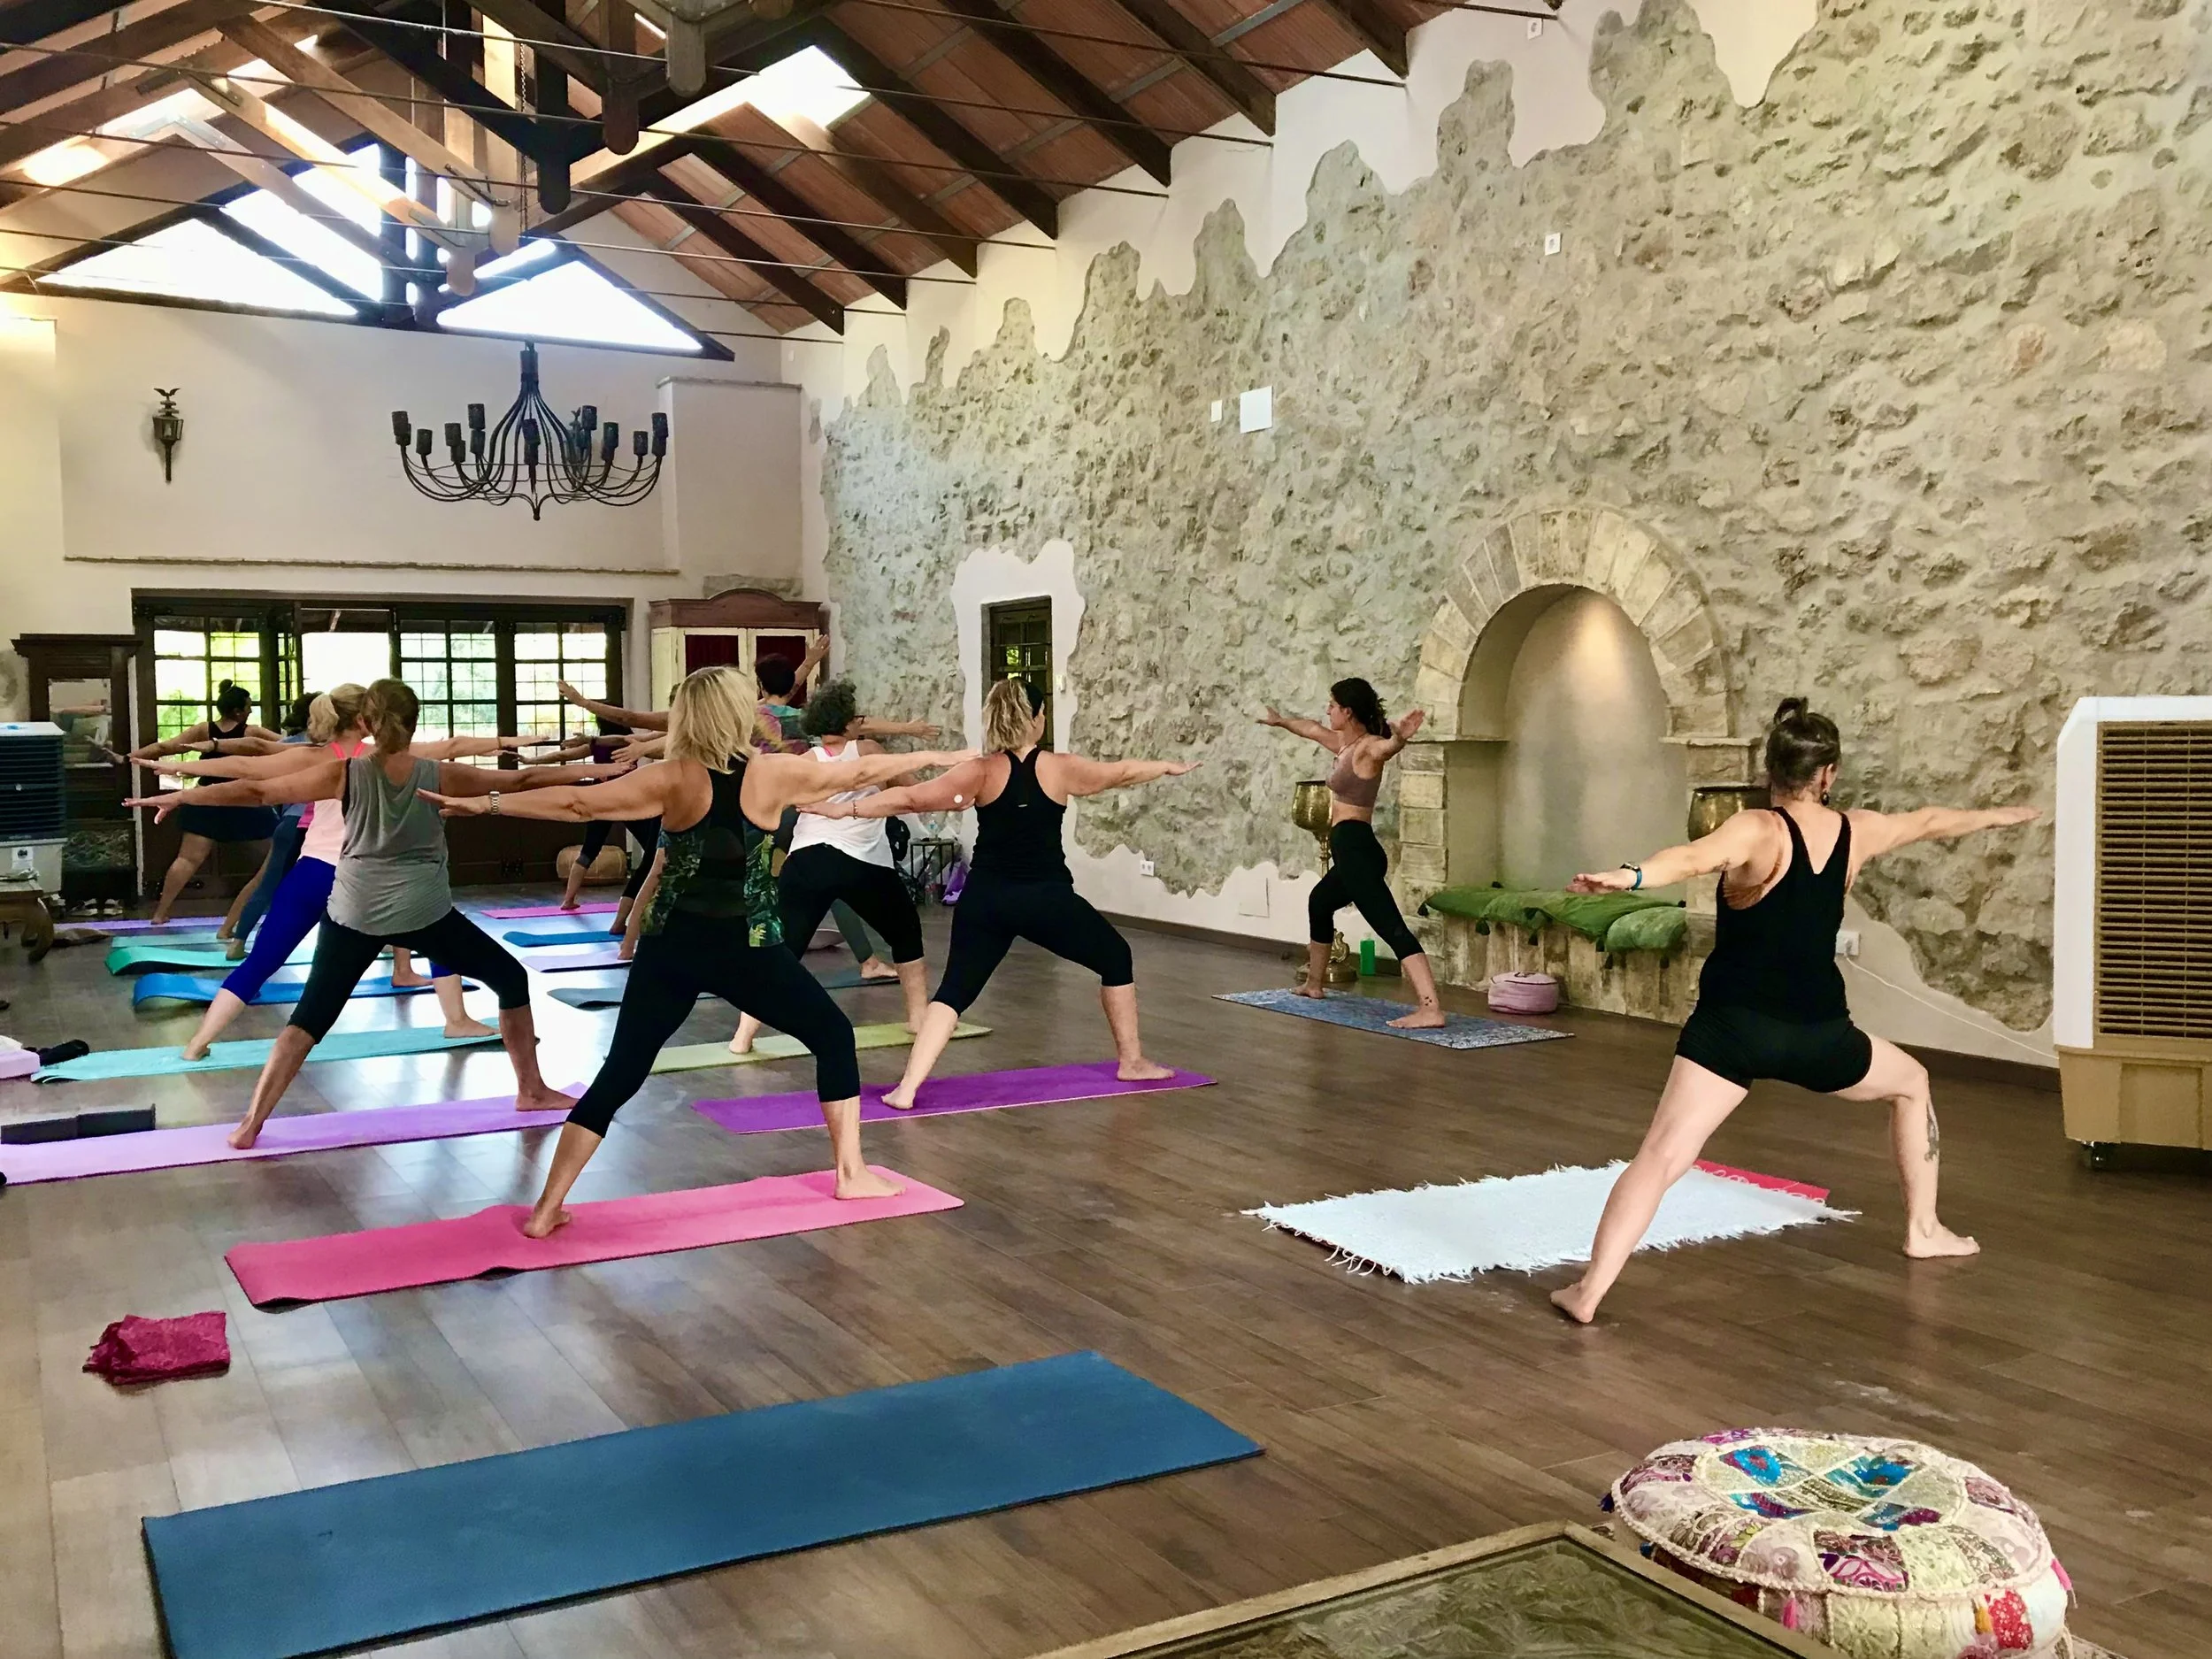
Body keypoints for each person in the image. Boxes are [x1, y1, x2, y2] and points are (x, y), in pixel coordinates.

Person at [421, 665, 975, 1236]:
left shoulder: (672, 777)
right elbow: (864, 768)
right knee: (832, 1037)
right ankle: (850, 1172)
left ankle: (545, 1210)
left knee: (620, 1073)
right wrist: (941, 757)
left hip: (672, 945)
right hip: (747, 949)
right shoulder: (771, 775)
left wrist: (487, 805)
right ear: (739, 714)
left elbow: (578, 805)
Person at [1547, 698, 2040, 1325]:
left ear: (1769, 769)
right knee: (1912, 1083)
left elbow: (1694, 857)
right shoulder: (1856, 831)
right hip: (1819, 1035)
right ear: (1828, 774)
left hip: (1734, 1032)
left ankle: (1590, 1292)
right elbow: (1932, 820)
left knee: (1662, 1156)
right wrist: (2001, 815)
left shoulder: (1758, 829)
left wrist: (1631, 875)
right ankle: (1923, 1228)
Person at [126, 679, 574, 1148]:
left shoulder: (345, 772)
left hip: (353, 910)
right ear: (415, 720)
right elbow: (521, 780)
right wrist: (609, 777)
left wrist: (181, 795)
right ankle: (531, 1090)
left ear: (365, 723)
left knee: (309, 1018)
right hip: (422, 912)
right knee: (509, 978)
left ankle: (250, 1124)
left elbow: (258, 790)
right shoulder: (437, 773)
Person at [810, 676, 1192, 1110]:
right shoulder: (1059, 767)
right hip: (1046, 900)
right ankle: (1132, 1060)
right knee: (1115, 957)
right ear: (1036, 719)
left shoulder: (980, 770)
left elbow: (912, 799)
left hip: (986, 902)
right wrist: (1164, 766)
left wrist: (843, 808)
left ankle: (907, 1088)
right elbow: (1119, 773)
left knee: (953, 992)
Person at [731, 679, 934, 1055]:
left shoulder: (804, 762)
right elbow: (913, 791)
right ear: (847, 721)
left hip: (806, 860)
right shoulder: (869, 750)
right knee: (906, 932)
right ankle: (918, 1018)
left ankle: (742, 1037)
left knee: (780, 951)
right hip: (861, 862)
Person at [1259, 680, 1443, 1028]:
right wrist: (1280, 721)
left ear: (1347, 711)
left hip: (1358, 849)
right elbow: (1311, 729)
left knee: (1391, 927)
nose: (1327, 710)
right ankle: (1314, 984)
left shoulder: (1367, 747)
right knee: (1320, 901)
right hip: (1350, 850)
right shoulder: (1344, 745)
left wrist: (1400, 738)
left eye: (1332, 704)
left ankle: (1430, 1008)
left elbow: (1385, 750)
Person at [124, 680, 284, 932]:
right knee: (278, 854)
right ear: (239, 712)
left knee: (188, 858)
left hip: (209, 796)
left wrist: (130, 757)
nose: (251, 711)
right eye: (249, 707)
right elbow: (290, 745)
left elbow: (165, 747)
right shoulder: (252, 733)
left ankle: (160, 914)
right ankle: (284, 906)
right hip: (241, 797)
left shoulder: (204, 730)